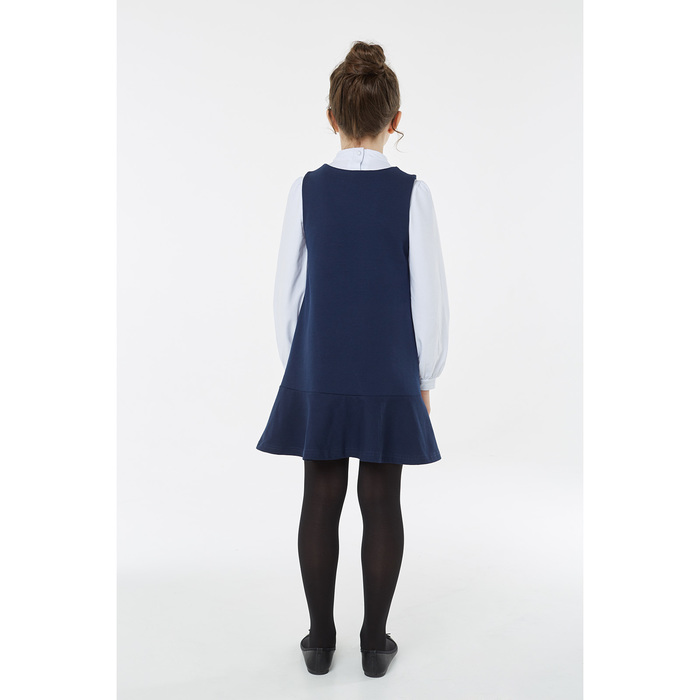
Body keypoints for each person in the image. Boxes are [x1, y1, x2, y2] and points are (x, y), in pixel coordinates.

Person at [256, 40, 449, 677]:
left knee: (320, 494)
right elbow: (428, 293)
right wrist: (425, 374)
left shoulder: (306, 189)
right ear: (395, 120)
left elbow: (287, 290)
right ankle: (373, 642)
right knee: (382, 497)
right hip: (389, 369)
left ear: (331, 117)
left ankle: (318, 641)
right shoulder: (412, 193)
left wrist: (301, 366)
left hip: (320, 365)